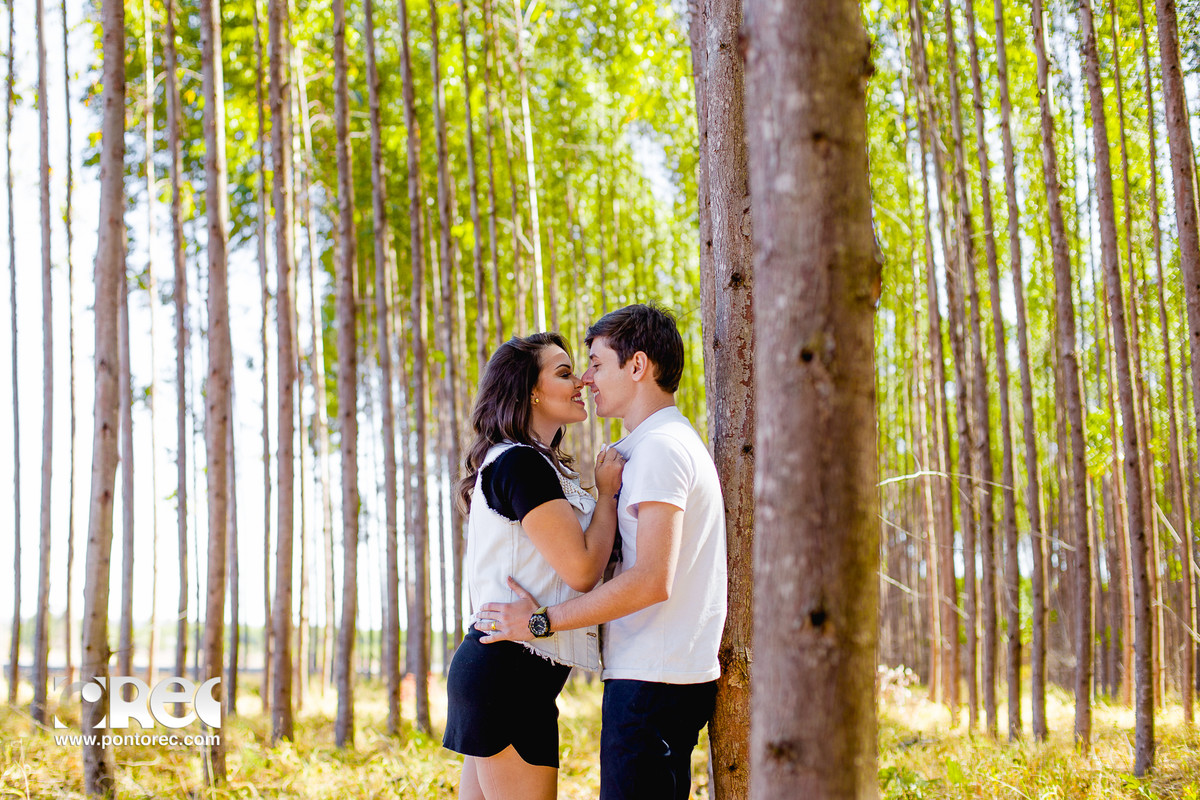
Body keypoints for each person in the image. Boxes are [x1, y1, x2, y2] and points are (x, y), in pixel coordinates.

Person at [475, 304, 727, 800]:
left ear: (637, 366)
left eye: (595, 363)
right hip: (654, 675)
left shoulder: (661, 450)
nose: (587, 379)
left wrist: (541, 622)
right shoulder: (652, 446)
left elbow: (653, 579)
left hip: (652, 681)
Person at [443, 331, 626, 800]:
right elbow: (582, 570)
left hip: (502, 671)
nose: (581, 381)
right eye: (564, 373)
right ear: (531, 392)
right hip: (509, 676)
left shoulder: (522, 462)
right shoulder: (522, 465)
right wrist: (607, 496)